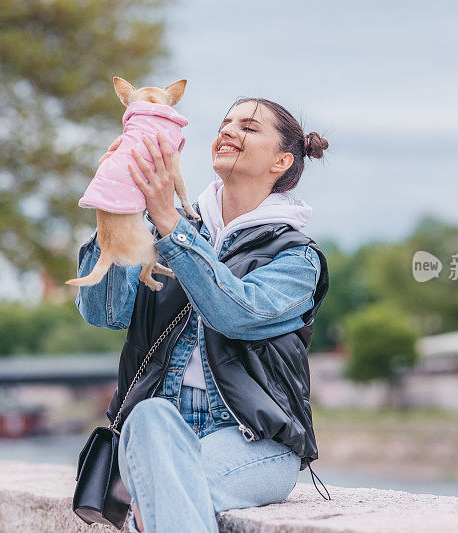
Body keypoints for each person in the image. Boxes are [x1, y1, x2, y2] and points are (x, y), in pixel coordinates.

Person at [75, 97, 330, 532]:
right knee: (151, 417)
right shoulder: (165, 229)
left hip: (251, 440)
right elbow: (106, 312)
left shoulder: (296, 258)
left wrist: (172, 228)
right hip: (157, 431)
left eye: (248, 127)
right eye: (225, 123)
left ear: (281, 160)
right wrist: (116, 206)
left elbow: (234, 313)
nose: (229, 130)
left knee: (160, 492)